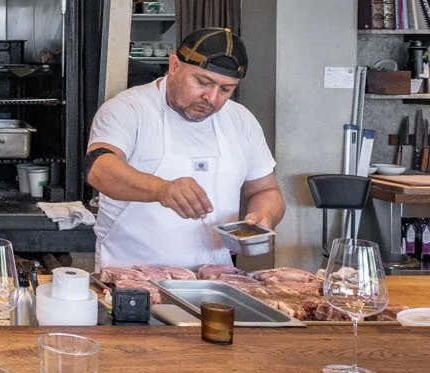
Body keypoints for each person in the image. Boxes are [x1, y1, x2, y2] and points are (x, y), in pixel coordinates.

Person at [84, 27, 285, 268]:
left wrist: (265, 217)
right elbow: (100, 169)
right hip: (131, 275)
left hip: (215, 278)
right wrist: (162, 189)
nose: (211, 97)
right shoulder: (129, 109)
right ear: (174, 66)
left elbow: (264, 190)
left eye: (226, 89)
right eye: (202, 82)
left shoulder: (241, 120)